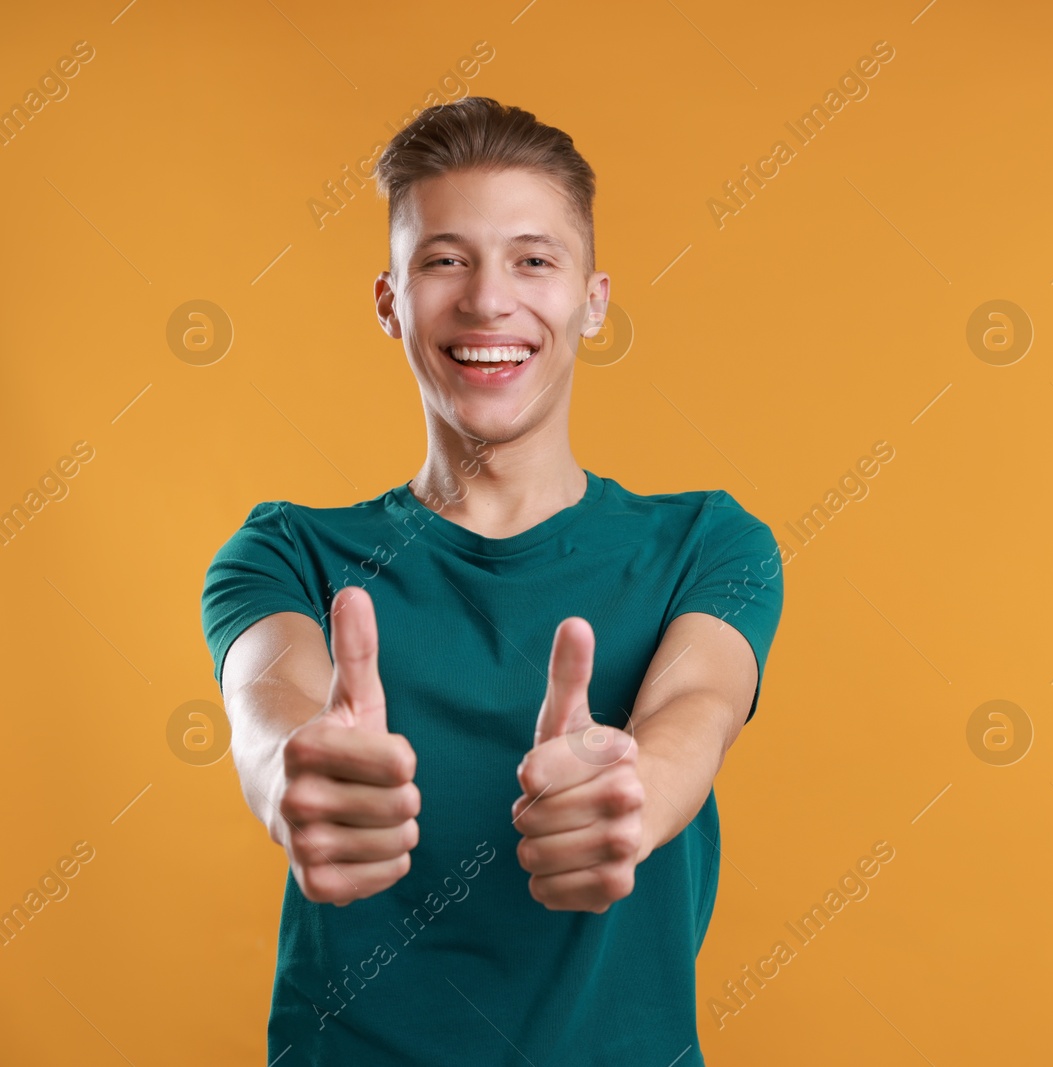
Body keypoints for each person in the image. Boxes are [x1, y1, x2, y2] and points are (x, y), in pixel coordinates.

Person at [200, 96, 783, 1066]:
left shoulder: (709, 543)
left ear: (592, 301)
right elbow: (267, 703)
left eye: (532, 258)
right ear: (389, 301)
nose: (486, 300)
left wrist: (630, 795)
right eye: (443, 259)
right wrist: (290, 770)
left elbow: (700, 705)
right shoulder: (284, 554)